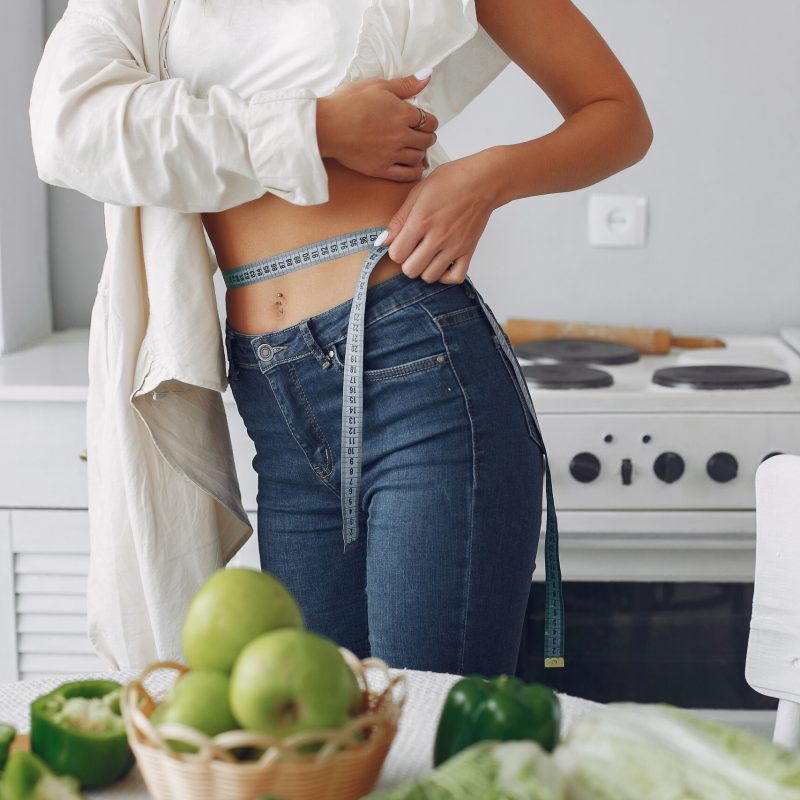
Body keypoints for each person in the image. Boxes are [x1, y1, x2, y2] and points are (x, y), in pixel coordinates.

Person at [29, 0, 652, 674]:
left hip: (414, 364)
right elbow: (67, 129)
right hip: (272, 396)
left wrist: (482, 180)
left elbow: (618, 115)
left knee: (427, 741)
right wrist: (315, 127)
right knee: (322, 747)